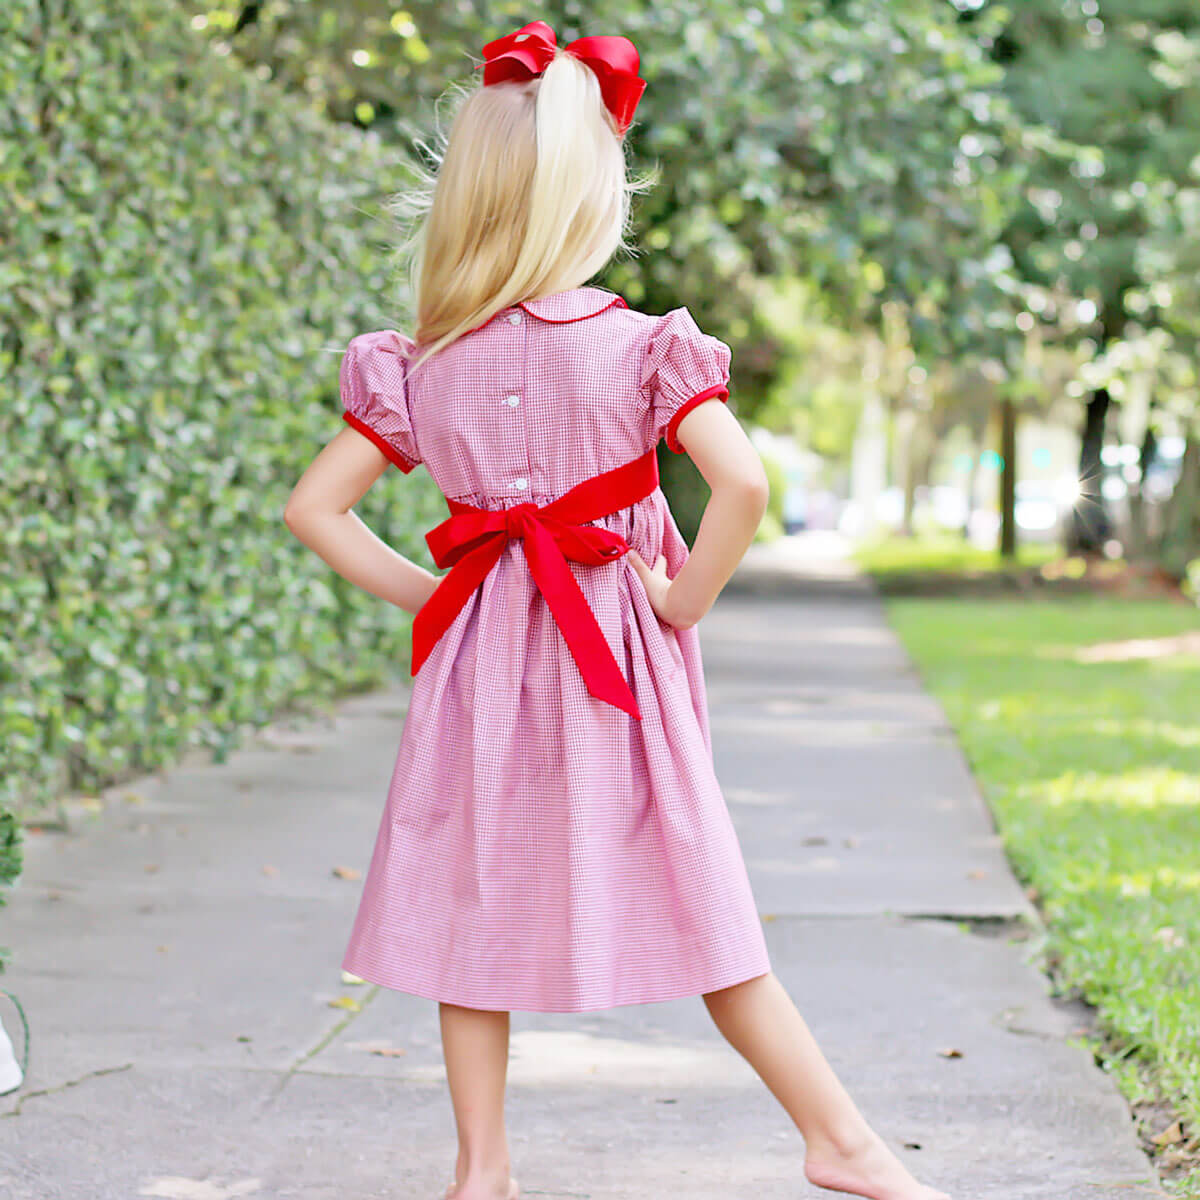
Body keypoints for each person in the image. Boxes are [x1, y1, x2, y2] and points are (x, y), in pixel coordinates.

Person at [283, 21, 952, 1200]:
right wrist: (684, 598)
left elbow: (317, 512)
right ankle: (837, 1139)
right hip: (613, 662)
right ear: (588, 198)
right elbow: (741, 485)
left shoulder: (419, 362)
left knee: (469, 901)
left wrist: (436, 590)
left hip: (482, 668)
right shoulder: (642, 347)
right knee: (695, 882)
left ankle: (481, 1170)